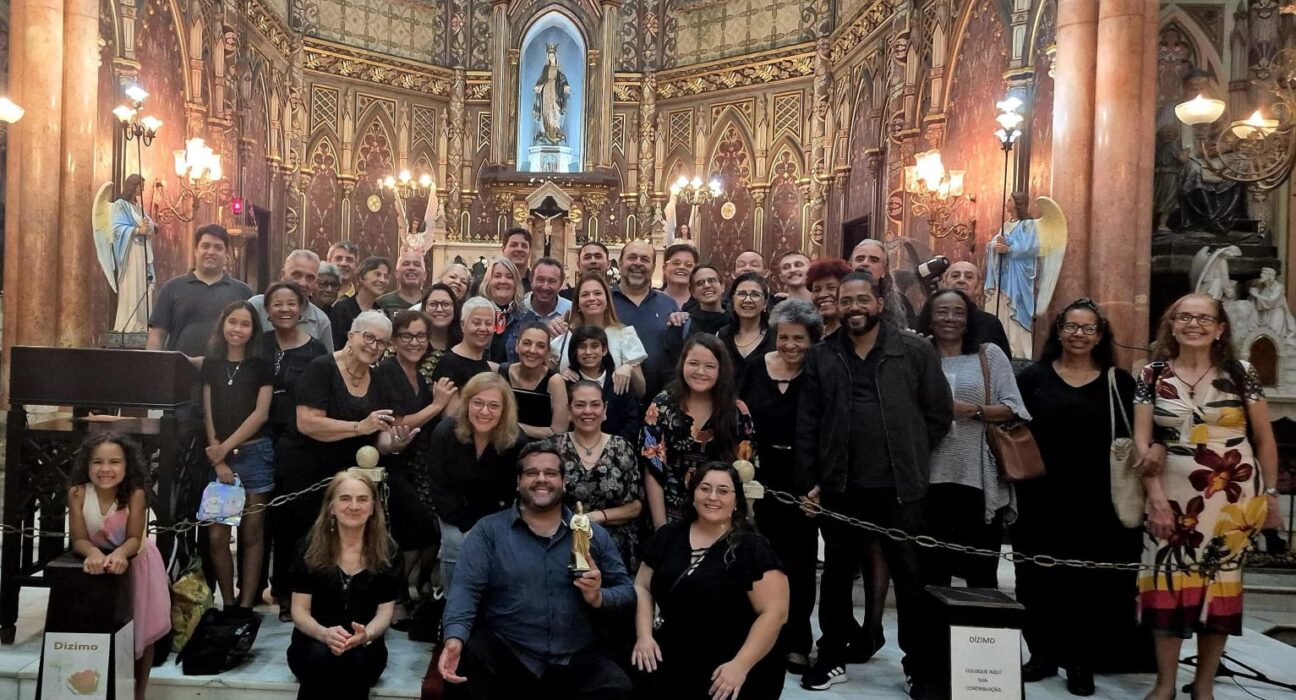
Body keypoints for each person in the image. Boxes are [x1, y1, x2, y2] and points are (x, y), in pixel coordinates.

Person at [796, 271, 952, 695]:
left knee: (910, 577)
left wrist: (912, 452)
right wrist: (810, 480)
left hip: (901, 487)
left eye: (862, 299)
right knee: (836, 575)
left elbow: (939, 414)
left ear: (879, 302)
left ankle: (917, 664)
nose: (854, 308)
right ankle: (831, 657)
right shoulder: (823, 355)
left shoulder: (914, 351)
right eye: (846, 301)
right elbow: (808, 423)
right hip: (841, 486)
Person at [1135, 293, 1284, 700]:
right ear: (1172, 325)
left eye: (1204, 318)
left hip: (1232, 497)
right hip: (1172, 495)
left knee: (1219, 588)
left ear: (1220, 329)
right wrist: (1155, 498)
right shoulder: (1152, 374)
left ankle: (1203, 685)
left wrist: (1270, 497)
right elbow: (1142, 443)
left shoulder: (1241, 372)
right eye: (1184, 317)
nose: (1193, 324)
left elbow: (1265, 439)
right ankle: (1164, 684)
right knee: (1165, 583)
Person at [1013, 298, 1145, 695]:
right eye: (1071, 326)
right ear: (1058, 331)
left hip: (1099, 500)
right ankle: (1042, 654)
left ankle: (1081, 660)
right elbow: (1015, 429)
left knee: (1092, 584)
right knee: (1036, 578)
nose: (1079, 335)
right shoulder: (1033, 378)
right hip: (1040, 496)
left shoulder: (1119, 382)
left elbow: (1140, 435)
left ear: (1100, 336)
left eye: (1088, 328)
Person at [438, 442, 635, 699]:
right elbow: (465, 590)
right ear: (518, 482)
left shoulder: (590, 533)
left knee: (617, 686)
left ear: (564, 483)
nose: (541, 479)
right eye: (532, 473)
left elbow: (627, 592)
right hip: (511, 655)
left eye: (550, 473)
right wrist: (455, 638)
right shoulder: (488, 532)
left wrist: (599, 597)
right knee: (472, 659)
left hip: (575, 658)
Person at [273, 311, 411, 622]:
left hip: (347, 469)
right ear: (351, 336)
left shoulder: (379, 378)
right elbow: (307, 423)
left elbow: (379, 436)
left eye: (382, 342)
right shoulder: (322, 368)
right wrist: (359, 427)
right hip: (304, 463)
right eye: (369, 337)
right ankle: (289, 598)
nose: (374, 346)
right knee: (299, 533)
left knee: (339, 537)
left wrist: (396, 443)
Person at [632, 462, 789, 700]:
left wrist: (740, 666)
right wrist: (644, 636)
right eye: (705, 488)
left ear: (736, 499)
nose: (712, 497)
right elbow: (642, 586)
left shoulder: (752, 548)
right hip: (674, 655)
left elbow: (775, 613)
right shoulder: (668, 536)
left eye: (723, 491)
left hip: (730, 665)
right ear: (693, 493)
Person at [913, 289, 1026, 589]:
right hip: (928, 479)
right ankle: (934, 638)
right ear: (929, 317)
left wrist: (972, 410)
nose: (950, 318)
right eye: (942, 311)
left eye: (958, 312)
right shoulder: (918, 353)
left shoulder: (988, 355)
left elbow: (1015, 408)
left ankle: (977, 637)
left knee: (979, 577)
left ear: (968, 319)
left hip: (976, 478)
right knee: (930, 577)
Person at [739, 298, 821, 673]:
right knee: (757, 560)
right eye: (784, 337)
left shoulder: (820, 370)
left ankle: (797, 641)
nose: (790, 345)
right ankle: (758, 638)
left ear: (812, 339)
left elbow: (830, 426)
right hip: (757, 480)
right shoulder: (756, 368)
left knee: (800, 565)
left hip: (804, 483)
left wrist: (819, 482)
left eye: (799, 338)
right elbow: (738, 417)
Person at [67, 433, 170, 700]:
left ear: (127, 466)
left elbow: (135, 538)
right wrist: (91, 552)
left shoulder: (135, 494)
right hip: (99, 567)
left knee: (141, 633)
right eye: (97, 462)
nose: (105, 469)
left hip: (138, 565)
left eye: (114, 462)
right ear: (86, 465)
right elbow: (78, 538)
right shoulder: (78, 493)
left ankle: (138, 693)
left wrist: (123, 553)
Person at [287, 471, 400, 700]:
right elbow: (299, 610)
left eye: (362, 499)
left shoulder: (388, 551)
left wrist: (365, 635)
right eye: (345, 498)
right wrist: (324, 634)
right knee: (319, 659)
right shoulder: (309, 547)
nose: (354, 506)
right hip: (314, 640)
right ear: (331, 507)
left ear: (373, 508)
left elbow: (385, 613)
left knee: (357, 663)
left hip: (365, 645)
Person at [374, 310, 455, 602]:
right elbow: (396, 423)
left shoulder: (421, 376)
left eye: (421, 336)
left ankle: (419, 588)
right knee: (415, 531)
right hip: (390, 466)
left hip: (418, 468)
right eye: (406, 335)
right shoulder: (385, 372)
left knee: (431, 532)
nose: (414, 342)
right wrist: (437, 405)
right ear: (394, 340)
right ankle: (394, 597)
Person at [641, 333, 758, 528]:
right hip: (670, 515)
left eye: (710, 366)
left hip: (721, 518)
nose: (700, 371)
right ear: (682, 364)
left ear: (721, 370)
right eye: (693, 363)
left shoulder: (737, 411)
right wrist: (661, 528)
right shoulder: (661, 406)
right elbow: (652, 469)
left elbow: (743, 472)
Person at [201, 301, 274, 611]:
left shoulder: (261, 365)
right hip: (219, 460)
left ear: (253, 331)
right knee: (218, 536)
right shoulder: (212, 364)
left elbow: (260, 414)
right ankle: (228, 602)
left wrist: (225, 447)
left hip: (255, 453)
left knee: (252, 534)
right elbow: (207, 412)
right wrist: (218, 458)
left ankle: (245, 605)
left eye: (245, 324)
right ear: (223, 324)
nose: (238, 329)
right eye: (233, 322)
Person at [425, 372, 528, 589]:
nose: (484, 411)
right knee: (454, 544)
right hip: (453, 511)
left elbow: (511, 493)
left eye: (493, 405)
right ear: (466, 403)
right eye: (478, 403)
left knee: (494, 548)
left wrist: (482, 528)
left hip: (496, 513)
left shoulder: (515, 441)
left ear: (504, 410)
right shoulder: (445, 433)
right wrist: (465, 526)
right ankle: (452, 605)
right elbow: (440, 487)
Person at [559, 380, 644, 571]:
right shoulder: (552, 449)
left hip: (613, 550)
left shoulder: (623, 448)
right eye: (580, 404)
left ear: (605, 410)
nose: (588, 411)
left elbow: (636, 506)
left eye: (595, 404)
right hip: (562, 546)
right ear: (569, 410)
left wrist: (598, 516)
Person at [148, 225, 253, 355]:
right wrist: (153, 370)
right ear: (196, 250)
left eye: (218, 248)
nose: (211, 252)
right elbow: (157, 336)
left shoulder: (242, 291)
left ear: (226, 254)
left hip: (226, 373)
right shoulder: (171, 288)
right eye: (205, 246)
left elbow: (253, 338)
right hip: (180, 370)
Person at [552, 273, 648, 396]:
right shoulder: (563, 336)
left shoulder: (625, 335)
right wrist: (560, 378)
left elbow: (641, 390)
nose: (591, 298)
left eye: (597, 293)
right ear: (577, 303)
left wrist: (629, 369)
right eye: (585, 294)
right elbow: (547, 380)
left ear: (607, 300)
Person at [612, 240, 681, 405]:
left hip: (660, 403)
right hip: (613, 403)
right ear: (620, 263)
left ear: (654, 266)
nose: (638, 263)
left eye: (644, 259)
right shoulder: (603, 301)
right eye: (632, 257)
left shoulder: (668, 304)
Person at [260, 282, 330, 443]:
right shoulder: (258, 344)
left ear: (301, 310)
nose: (285, 309)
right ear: (268, 311)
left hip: (299, 439)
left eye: (291, 304)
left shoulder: (316, 350)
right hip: (259, 437)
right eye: (277, 304)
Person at [249, 250, 335, 352]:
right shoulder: (257, 307)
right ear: (283, 275)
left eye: (310, 277)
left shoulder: (321, 321)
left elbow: (327, 365)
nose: (303, 283)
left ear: (316, 282)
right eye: (296, 275)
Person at [567, 325, 640, 444]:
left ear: (604, 350)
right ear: (575, 351)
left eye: (594, 346)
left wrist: (613, 446)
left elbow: (631, 422)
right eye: (582, 347)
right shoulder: (568, 383)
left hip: (617, 449)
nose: (588, 352)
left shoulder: (619, 379)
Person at [501, 321, 569, 438]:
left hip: (540, 449)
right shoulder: (502, 372)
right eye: (527, 343)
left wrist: (513, 427)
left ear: (548, 352)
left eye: (540, 346)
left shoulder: (554, 381)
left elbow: (559, 430)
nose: (532, 350)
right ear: (517, 346)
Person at [108, 173, 156, 333]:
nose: (142, 188)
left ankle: (142, 324)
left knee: (144, 286)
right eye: (140, 185)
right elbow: (116, 228)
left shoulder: (138, 207)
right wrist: (137, 230)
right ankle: (129, 325)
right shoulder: (120, 205)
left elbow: (150, 224)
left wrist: (150, 227)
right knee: (132, 286)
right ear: (132, 186)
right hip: (129, 252)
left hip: (141, 252)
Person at [431, 296, 497, 412]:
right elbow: (450, 416)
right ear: (462, 325)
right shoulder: (449, 363)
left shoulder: (484, 363)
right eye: (476, 323)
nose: (483, 328)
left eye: (488, 323)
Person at [941, 260, 1010, 357]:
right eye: (955, 276)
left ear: (978, 287)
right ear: (944, 283)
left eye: (968, 277)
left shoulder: (991, 324)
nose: (961, 280)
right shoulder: (930, 318)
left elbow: (1002, 366)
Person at [719, 272, 775, 385]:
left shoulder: (776, 336)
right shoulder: (722, 336)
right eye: (741, 294)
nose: (748, 300)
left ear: (765, 303)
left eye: (755, 294)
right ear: (732, 300)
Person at [849, 239, 915, 328]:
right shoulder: (837, 298)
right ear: (851, 266)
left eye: (874, 260)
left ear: (884, 271)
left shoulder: (902, 302)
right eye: (859, 259)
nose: (865, 263)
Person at [330, 257, 391, 349]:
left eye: (386, 277)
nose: (382, 280)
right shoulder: (342, 309)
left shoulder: (383, 312)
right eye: (377, 274)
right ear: (361, 278)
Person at [478, 256, 528, 363]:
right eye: (497, 276)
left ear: (516, 283)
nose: (503, 281)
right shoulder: (476, 313)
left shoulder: (527, 317)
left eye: (509, 277)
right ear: (488, 281)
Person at [411, 282, 464, 382]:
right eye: (433, 304)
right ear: (423, 309)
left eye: (446, 304)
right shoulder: (410, 343)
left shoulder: (465, 345)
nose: (439, 309)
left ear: (455, 309)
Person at [805, 258, 851, 339]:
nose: (822, 295)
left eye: (831, 287)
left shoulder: (859, 335)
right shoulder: (811, 336)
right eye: (817, 290)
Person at [375, 249, 427, 318]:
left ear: (425, 275)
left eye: (417, 264)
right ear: (396, 274)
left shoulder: (432, 301)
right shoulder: (382, 303)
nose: (411, 268)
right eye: (406, 264)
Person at [522, 256, 571, 322]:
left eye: (552, 281)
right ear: (531, 281)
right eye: (540, 280)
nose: (545, 287)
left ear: (560, 284)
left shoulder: (571, 311)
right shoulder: (518, 311)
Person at [662, 243, 699, 311]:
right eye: (676, 263)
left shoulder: (701, 304)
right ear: (664, 268)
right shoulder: (651, 298)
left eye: (688, 264)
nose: (682, 267)